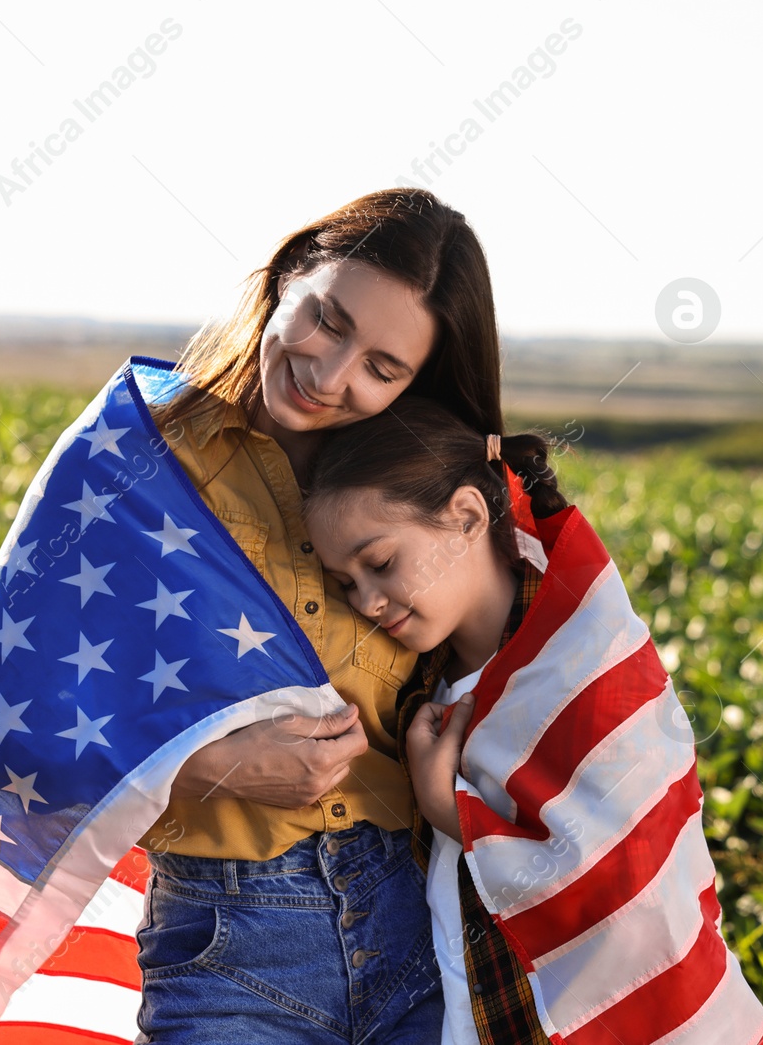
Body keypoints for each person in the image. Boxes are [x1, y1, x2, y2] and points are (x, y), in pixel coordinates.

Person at [132, 187, 506, 1043]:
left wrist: (457, 802)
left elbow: (531, 690)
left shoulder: (419, 484)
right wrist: (208, 769)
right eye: (328, 320)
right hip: (230, 939)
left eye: (382, 367)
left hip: (420, 917)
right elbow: (11, 723)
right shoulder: (135, 457)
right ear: (287, 274)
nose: (330, 374)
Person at [301, 398, 763, 1044]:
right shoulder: (412, 686)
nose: (368, 601)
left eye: (381, 563)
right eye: (345, 583)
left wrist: (455, 814)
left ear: (468, 515)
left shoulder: (584, 657)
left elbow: (630, 878)